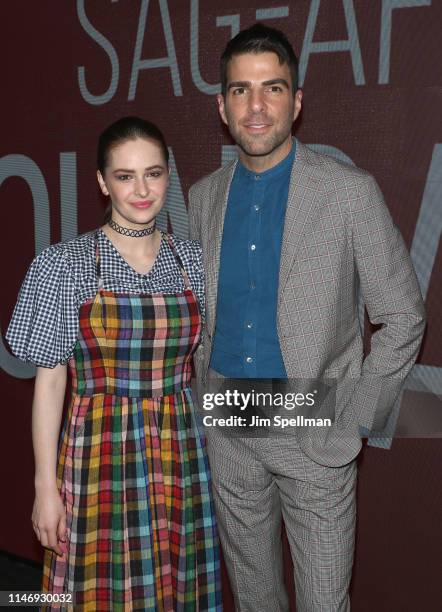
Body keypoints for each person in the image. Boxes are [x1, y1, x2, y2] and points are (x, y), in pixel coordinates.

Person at [188, 24, 425, 612]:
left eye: (273, 88)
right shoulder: (201, 197)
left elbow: (402, 315)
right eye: (241, 90)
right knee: (254, 598)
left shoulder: (348, 193)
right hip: (227, 428)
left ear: (297, 101)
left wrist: (355, 418)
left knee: (323, 601)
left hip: (315, 429)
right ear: (222, 107)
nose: (257, 105)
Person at [7, 117, 221, 611]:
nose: (142, 190)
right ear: (102, 182)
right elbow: (51, 383)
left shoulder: (194, 261)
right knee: (96, 591)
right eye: (125, 176)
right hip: (96, 452)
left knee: (175, 585)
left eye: (153, 173)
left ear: (169, 175)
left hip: (181, 453)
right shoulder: (65, 264)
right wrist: (45, 487)